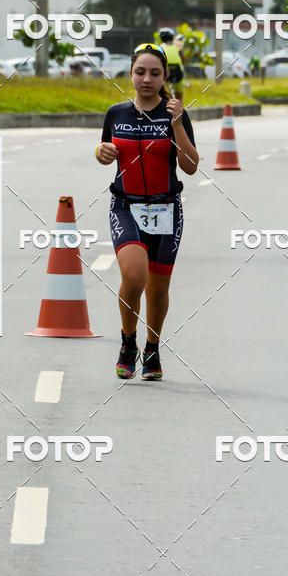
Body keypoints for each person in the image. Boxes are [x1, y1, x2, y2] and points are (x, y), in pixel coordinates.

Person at [96, 43, 198, 381]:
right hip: (125, 206)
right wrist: (101, 152)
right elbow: (105, 151)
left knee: (158, 288)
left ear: (165, 76)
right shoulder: (116, 113)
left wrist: (178, 124)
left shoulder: (174, 115)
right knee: (135, 276)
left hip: (167, 208)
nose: (147, 79)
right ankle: (128, 342)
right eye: (140, 72)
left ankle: (152, 349)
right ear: (130, 74)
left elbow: (191, 166)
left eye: (155, 73)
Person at [159, 27, 185, 103]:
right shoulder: (179, 44)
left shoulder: (161, 46)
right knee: (179, 96)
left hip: (166, 71)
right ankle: (180, 112)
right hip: (178, 70)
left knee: (166, 93)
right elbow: (183, 58)